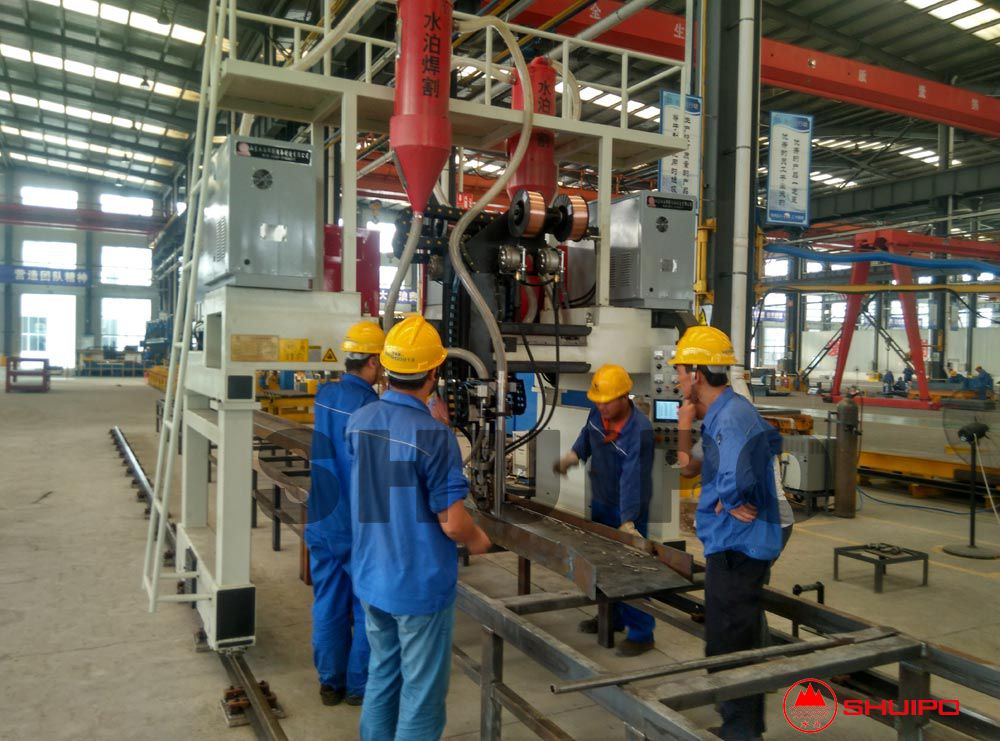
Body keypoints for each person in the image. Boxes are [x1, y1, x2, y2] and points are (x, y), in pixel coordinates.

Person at [346, 314, 491, 741]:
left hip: (372, 575)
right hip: (417, 583)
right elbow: (453, 523)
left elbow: (385, 494)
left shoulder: (360, 419)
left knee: (382, 674)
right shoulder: (434, 436)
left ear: (386, 368)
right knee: (422, 692)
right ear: (433, 374)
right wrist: (479, 540)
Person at [669, 325, 782, 741]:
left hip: (740, 548)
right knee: (725, 638)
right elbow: (688, 467)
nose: (677, 380)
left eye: (680, 372)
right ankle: (739, 721)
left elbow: (742, 475)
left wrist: (730, 498)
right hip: (728, 545)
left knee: (731, 645)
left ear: (697, 373)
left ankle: (741, 732)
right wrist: (684, 424)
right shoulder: (721, 414)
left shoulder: (731, 417)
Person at [305, 321, 385, 706]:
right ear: (373, 361)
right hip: (356, 527)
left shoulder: (324, 395)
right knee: (366, 607)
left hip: (322, 518)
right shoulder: (371, 408)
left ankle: (330, 683)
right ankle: (358, 686)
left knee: (327, 602)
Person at [552, 363, 656, 657]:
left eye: (607, 401)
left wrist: (628, 521)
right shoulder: (597, 413)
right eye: (597, 401)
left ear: (624, 397)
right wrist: (574, 455)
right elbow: (588, 434)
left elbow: (633, 478)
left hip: (629, 510)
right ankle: (611, 618)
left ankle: (642, 632)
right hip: (601, 501)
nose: (601, 407)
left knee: (631, 570)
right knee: (602, 566)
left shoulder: (640, 431)